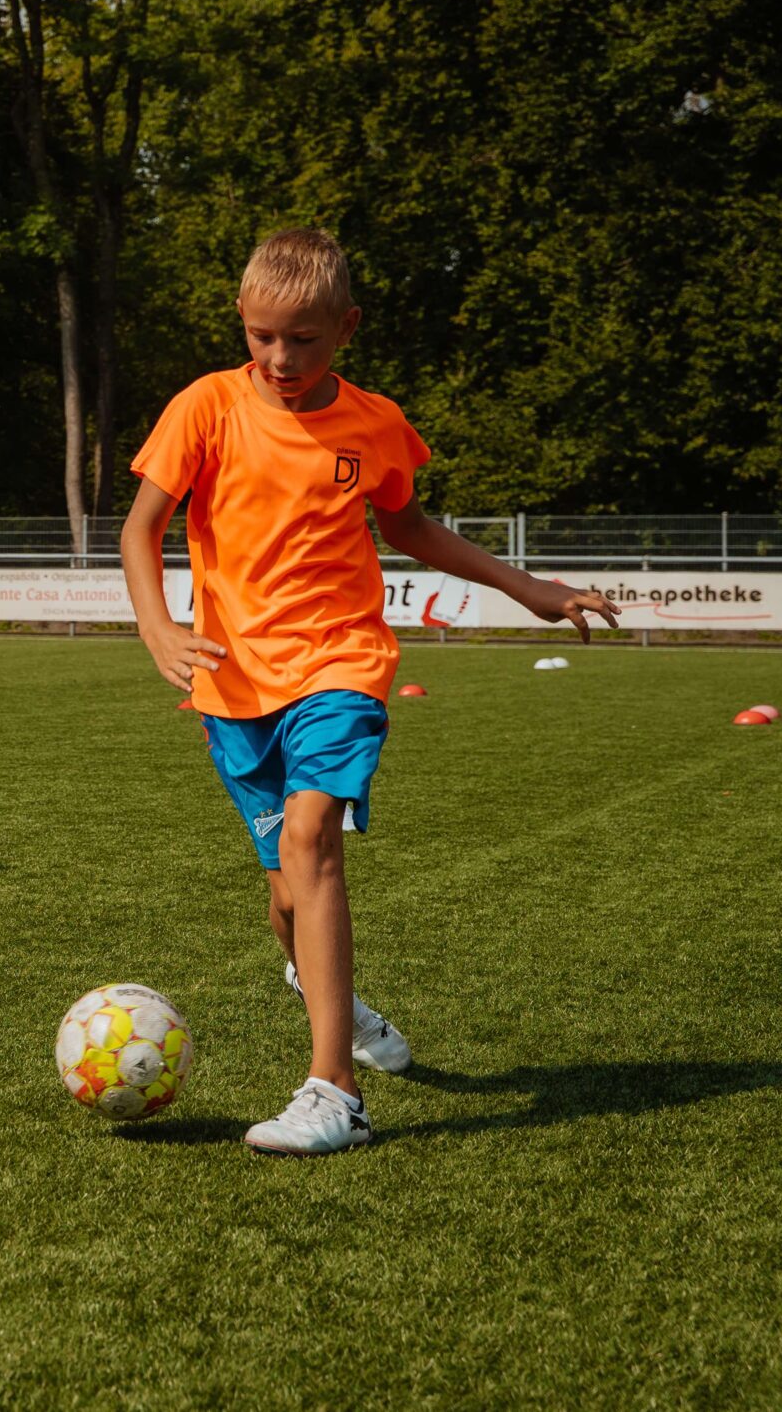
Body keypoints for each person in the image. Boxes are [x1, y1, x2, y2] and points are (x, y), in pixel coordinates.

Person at [120, 228, 619, 1156]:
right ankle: (330, 995)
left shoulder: (374, 423)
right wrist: (156, 626)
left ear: (346, 328)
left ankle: (334, 1093)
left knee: (312, 838)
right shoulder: (205, 407)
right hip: (234, 682)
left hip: (341, 662)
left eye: (303, 339)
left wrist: (531, 589)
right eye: (263, 336)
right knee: (285, 892)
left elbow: (413, 528)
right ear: (242, 321)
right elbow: (141, 527)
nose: (280, 358)